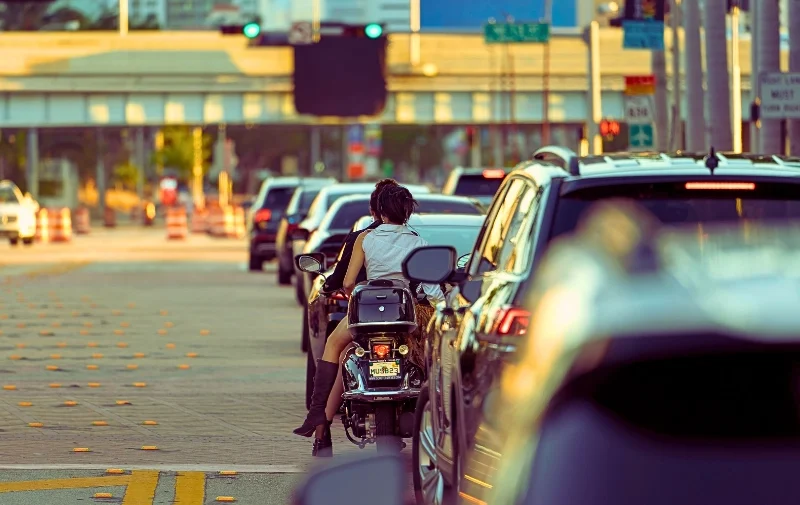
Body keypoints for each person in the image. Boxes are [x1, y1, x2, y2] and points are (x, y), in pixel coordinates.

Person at [293, 185, 444, 456]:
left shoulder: (366, 238)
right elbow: (430, 290)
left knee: (334, 348)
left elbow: (349, 281)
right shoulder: (418, 242)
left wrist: (354, 296)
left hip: (367, 313)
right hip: (404, 315)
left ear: (381, 211)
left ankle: (319, 422)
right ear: (407, 212)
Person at [323, 179, 401, 293]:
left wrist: (328, 286)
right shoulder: (414, 240)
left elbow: (345, 280)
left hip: (366, 303)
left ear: (372, 210)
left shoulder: (360, 238)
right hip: (403, 306)